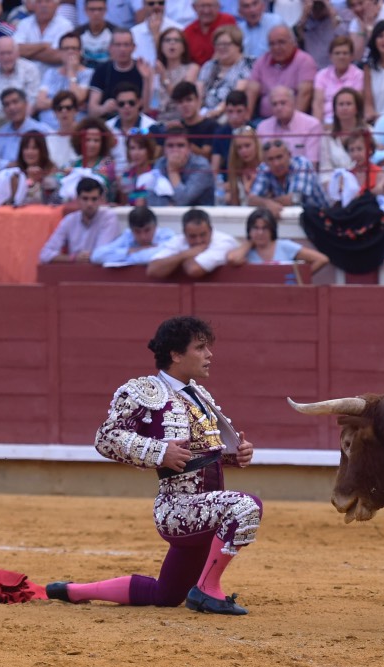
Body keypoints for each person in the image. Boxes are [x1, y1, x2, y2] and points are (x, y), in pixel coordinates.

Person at [46, 316, 261, 615]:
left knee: (166, 594)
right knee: (245, 507)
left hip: (205, 510)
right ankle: (206, 591)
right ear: (175, 354)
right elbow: (106, 438)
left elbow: (198, 454)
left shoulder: (198, 394)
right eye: (200, 348)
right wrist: (158, 452)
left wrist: (232, 457)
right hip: (178, 508)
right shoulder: (145, 391)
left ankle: (74, 591)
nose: (209, 355)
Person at [38, 177, 119, 263]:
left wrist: (80, 258)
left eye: (94, 199)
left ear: (101, 199)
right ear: (77, 199)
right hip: (75, 272)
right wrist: (73, 258)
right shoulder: (70, 220)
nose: (89, 204)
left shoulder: (108, 217)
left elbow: (100, 256)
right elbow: (44, 254)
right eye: (85, 199)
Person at [227, 206, 330, 272]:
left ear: (272, 229)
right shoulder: (247, 252)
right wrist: (250, 242)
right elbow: (233, 259)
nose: (260, 233)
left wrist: (300, 278)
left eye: (265, 228)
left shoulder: (284, 245)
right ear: (249, 230)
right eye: (255, 228)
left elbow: (321, 259)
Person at [247, 24, 316, 118]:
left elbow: (305, 94)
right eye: (272, 44)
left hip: (292, 121)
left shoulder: (305, 61)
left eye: (281, 42)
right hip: (263, 120)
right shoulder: (262, 61)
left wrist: (295, 124)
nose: (276, 47)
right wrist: (246, 123)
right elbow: (251, 91)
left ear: (293, 42)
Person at [147, 208, 239, 277]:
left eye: (203, 235)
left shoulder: (224, 242)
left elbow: (193, 269)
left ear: (211, 230)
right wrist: (184, 255)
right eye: (192, 236)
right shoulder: (179, 240)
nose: (198, 241)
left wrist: (178, 259)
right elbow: (152, 269)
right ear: (184, 233)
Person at [248, 138, 329, 214]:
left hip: (321, 218)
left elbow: (294, 200)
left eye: (279, 157)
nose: (276, 163)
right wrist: (266, 203)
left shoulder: (302, 164)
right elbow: (251, 200)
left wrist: (267, 202)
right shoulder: (264, 168)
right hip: (293, 218)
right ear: (265, 161)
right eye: (271, 159)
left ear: (289, 155)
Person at [34, 33, 93, 131]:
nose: (70, 52)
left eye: (74, 48)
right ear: (60, 52)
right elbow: (39, 103)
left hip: (75, 130)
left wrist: (71, 72)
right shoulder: (50, 73)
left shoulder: (88, 73)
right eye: (66, 48)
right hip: (46, 128)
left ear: (80, 52)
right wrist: (67, 104)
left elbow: (78, 98)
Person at [146, 123, 215, 205]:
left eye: (180, 145)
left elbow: (182, 200)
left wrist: (173, 171)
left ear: (189, 148)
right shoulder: (161, 163)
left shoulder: (201, 166)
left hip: (200, 215)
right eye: (170, 146)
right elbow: (152, 197)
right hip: (169, 214)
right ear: (164, 149)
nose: (175, 150)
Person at [0, 37, 41, 126]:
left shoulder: (30, 69)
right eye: (2, 54)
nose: (6, 57)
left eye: (9, 53)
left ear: (17, 53)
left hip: (23, 122)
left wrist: (21, 125)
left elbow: (32, 101)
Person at [196, 24, 252, 123]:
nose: (221, 47)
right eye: (218, 44)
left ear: (238, 45)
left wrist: (216, 111)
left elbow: (237, 94)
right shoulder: (209, 66)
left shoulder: (247, 65)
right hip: (204, 113)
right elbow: (198, 92)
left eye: (226, 44)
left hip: (229, 114)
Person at [256, 85, 323, 167]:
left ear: (293, 102)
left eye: (283, 103)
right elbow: (260, 162)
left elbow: (311, 164)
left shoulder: (312, 125)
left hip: (301, 176)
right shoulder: (262, 127)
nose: (279, 107)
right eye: (275, 104)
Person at [87, 28, 146, 118]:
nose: (122, 49)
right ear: (110, 48)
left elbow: (146, 108)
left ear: (133, 47)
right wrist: (104, 108)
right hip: (107, 122)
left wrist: (147, 79)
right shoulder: (102, 70)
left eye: (126, 45)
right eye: (118, 45)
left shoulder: (142, 69)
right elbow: (92, 110)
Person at [90, 205, 176, 265]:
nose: (143, 237)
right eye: (137, 232)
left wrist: (127, 254)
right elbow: (97, 256)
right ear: (131, 230)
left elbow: (151, 258)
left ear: (155, 226)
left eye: (147, 230)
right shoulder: (128, 235)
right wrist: (133, 250)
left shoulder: (167, 236)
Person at [320, 86, 367, 188]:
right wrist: (335, 189)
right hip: (336, 188)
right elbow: (325, 171)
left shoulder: (369, 132)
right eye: (341, 104)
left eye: (348, 104)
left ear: (357, 108)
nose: (344, 108)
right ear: (335, 110)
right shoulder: (327, 138)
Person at [13, 0, 75, 76]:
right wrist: (43, 46)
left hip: (53, 81)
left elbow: (58, 56)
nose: (43, 5)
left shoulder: (65, 26)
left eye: (48, 1)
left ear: (57, 5)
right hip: (26, 79)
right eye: (39, 2)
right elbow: (15, 49)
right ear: (33, 5)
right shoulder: (24, 23)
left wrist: (27, 53)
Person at [312, 36, 363, 127]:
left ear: (352, 56)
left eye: (345, 53)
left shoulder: (359, 75)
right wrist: (318, 127)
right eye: (337, 53)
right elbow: (318, 104)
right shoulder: (321, 75)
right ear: (330, 56)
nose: (341, 57)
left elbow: (357, 104)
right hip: (325, 122)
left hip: (349, 122)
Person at [0, 87, 52, 163]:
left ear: (26, 104)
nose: (12, 107)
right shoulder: (1, 134)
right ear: (4, 110)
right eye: (7, 105)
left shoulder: (41, 130)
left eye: (15, 102)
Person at [152, 27, 199, 123]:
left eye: (177, 40)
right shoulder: (155, 71)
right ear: (161, 47)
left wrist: (164, 77)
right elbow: (151, 104)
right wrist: (147, 79)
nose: (172, 43)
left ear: (183, 47)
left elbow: (182, 96)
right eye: (167, 40)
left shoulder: (192, 68)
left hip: (181, 120)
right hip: (159, 119)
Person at [70, 116, 118, 196]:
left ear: (103, 142)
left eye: (96, 140)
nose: (92, 145)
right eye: (87, 140)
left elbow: (105, 182)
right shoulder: (74, 163)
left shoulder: (108, 162)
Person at [169, 80, 217, 159]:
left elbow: (206, 156)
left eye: (189, 100)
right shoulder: (176, 127)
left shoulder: (211, 126)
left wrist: (183, 138)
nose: (185, 105)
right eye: (180, 102)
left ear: (198, 100)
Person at [210, 88, 250, 178]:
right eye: (230, 111)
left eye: (239, 111)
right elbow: (214, 169)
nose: (235, 116)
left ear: (247, 111)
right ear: (226, 112)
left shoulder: (254, 131)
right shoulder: (220, 134)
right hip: (227, 181)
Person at [183, 0, 236, 66]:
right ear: (194, 7)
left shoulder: (227, 21)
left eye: (210, 6)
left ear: (218, 7)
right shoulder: (188, 31)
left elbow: (232, 50)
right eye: (202, 6)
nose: (206, 11)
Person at [132, 0, 183, 65]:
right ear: (144, 5)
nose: (156, 7)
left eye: (161, 3)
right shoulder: (134, 32)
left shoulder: (179, 29)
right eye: (151, 3)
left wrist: (156, 34)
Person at [117, 128, 157, 204]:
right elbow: (125, 202)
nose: (136, 153)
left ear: (149, 149)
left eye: (141, 148)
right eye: (132, 148)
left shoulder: (157, 171)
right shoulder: (127, 174)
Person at [225, 124, 261, 204]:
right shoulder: (235, 171)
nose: (243, 151)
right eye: (239, 147)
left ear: (256, 145)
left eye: (247, 146)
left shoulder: (266, 168)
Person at [74, 0, 115, 68]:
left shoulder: (115, 33)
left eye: (100, 9)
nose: (96, 13)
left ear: (106, 10)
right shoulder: (77, 33)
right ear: (85, 10)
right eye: (92, 9)